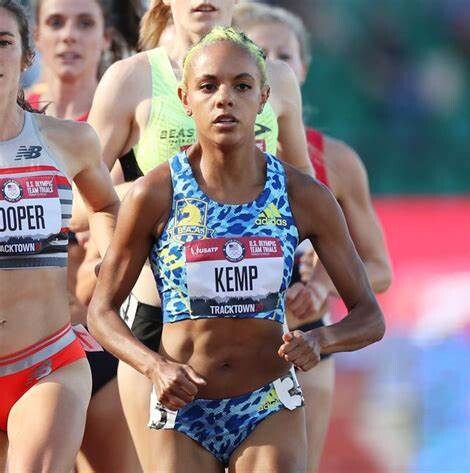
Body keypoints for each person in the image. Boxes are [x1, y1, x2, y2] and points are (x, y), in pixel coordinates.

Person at [88, 26, 385, 473]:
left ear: (263, 97)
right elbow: (101, 312)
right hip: (182, 406)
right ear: (185, 99)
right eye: (208, 86)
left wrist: (321, 339)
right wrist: (153, 368)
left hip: (268, 402)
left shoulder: (303, 195)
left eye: (241, 86)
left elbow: (369, 317)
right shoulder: (155, 193)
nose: (224, 99)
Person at [233, 3, 393, 470]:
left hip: (302, 341)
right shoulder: (198, 157)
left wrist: (322, 285)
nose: (271, 65)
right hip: (211, 341)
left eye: (283, 56)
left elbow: (379, 269)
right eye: (258, 54)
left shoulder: (335, 160)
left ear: (301, 69)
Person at [0, 1, 119, 471]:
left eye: (3, 43)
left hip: (46, 362)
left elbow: (106, 205)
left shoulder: (69, 139)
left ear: (27, 55)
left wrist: (107, 262)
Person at [27, 1, 140, 471]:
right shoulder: (11, 119)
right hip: (26, 344)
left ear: (106, 37)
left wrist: (120, 200)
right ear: (34, 37)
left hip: (106, 340)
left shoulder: (131, 119)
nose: (69, 35)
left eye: (84, 23)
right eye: (55, 22)